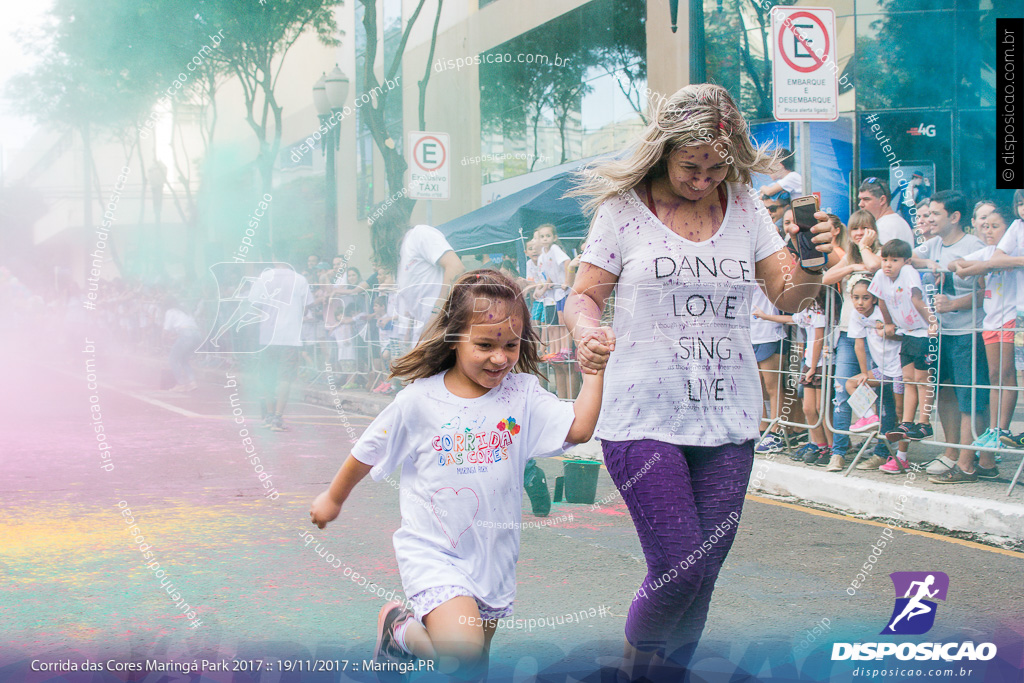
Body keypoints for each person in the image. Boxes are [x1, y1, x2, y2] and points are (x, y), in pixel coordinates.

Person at [564, 83, 833, 679]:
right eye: (691, 165)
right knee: (680, 564)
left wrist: (812, 261)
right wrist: (587, 329)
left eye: (717, 165)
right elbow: (581, 297)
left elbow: (788, 295)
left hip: (729, 419)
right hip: (642, 417)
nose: (704, 178)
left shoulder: (745, 206)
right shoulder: (624, 211)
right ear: (664, 152)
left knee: (703, 573)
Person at [308, 270, 608, 678]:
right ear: (454, 338)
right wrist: (333, 498)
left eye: (510, 344)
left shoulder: (521, 396)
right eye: (484, 344)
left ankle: (405, 647)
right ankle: (400, 627)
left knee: (470, 669)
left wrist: (595, 371)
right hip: (433, 554)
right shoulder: (419, 401)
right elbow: (367, 450)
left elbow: (579, 428)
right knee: (461, 655)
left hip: (494, 558)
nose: (500, 357)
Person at [909, 191, 988, 481]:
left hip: (968, 331)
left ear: (954, 217)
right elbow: (909, 256)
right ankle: (950, 450)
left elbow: (985, 291)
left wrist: (954, 304)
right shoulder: (934, 244)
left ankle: (967, 459)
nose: (929, 219)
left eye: (936, 214)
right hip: (941, 331)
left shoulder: (974, 245)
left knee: (969, 396)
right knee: (944, 390)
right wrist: (927, 264)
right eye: (927, 214)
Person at [944, 204, 1016, 481]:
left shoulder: (1011, 253)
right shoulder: (985, 252)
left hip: (1010, 318)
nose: (988, 231)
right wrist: (965, 266)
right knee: (995, 376)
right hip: (990, 321)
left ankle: (1002, 429)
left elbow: (992, 264)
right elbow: (953, 264)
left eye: (995, 226)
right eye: (984, 226)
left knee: (1006, 375)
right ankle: (993, 433)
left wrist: (978, 267)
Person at [369, 202, 465, 389]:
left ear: (385, 227)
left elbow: (456, 267)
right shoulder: (399, 257)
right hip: (426, 337)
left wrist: (437, 312)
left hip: (446, 329)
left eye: (375, 232)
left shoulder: (420, 234)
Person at [823, 210, 883, 467]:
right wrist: (850, 265)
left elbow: (873, 267)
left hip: (877, 334)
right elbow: (825, 278)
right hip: (848, 332)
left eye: (865, 228)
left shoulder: (880, 253)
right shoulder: (850, 255)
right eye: (855, 229)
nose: (859, 233)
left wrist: (864, 248)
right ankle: (839, 451)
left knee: (881, 391)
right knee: (841, 389)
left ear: (873, 231)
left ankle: (882, 449)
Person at [872, 239, 936, 471]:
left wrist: (932, 323)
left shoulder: (908, 272)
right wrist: (889, 324)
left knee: (922, 380)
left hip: (922, 332)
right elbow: (881, 301)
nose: (888, 264)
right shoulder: (880, 275)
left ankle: (924, 422)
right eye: (885, 259)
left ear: (906, 261)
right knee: (908, 379)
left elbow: (916, 298)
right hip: (907, 333)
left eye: (894, 260)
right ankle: (908, 422)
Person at [754, 288, 834, 466]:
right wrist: (765, 316)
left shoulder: (819, 312)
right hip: (809, 363)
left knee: (821, 408)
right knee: (808, 408)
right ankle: (818, 444)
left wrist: (812, 366)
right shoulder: (806, 312)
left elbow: (818, 339)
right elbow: (789, 319)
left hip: (820, 364)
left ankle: (832, 448)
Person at [248, 257, 315, 431]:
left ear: (274, 258)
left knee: (268, 376)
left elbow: (254, 304)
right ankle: (278, 417)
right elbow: (307, 305)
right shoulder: (300, 279)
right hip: (290, 336)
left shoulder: (263, 277)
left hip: (268, 335)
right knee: (285, 377)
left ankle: (269, 415)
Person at [845, 277, 904, 472]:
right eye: (856, 298)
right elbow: (859, 344)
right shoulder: (856, 315)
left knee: (900, 413)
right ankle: (870, 417)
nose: (860, 303)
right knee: (852, 383)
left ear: (875, 299)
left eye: (865, 298)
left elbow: (900, 333)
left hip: (900, 369)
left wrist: (887, 332)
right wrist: (863, 372)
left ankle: (900, 456)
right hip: (883, 370)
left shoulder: (884, 312)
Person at [858, 177, 915, 247]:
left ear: (882, 200)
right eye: (860, 199)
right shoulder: (896, 222)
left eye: (866, 199)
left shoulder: (885, 227)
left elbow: (880, 258)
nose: (860, 204)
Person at [163, 297, 201, 392]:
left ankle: (180, 384)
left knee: (172, 359)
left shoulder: (170, 312)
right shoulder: (184, 311)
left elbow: (165, 331)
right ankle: (192, 382)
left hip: (186, 334)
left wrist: (162, 341)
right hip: (197, 335)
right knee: (184, 360)